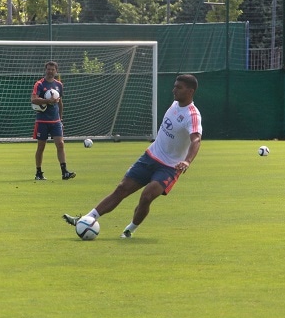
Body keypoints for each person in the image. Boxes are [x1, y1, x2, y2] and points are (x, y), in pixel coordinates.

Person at [63, 74, 202, 238]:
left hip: (169, 167)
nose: (174, 90)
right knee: (122, 189)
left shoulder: (192, 115)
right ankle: (88, 219)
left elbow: (196, 139)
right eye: (174, 86)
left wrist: (187, 161)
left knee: (147, 196)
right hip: (150, 156)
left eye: (179, 87)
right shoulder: (175, 104)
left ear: (190, 91)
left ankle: (129, 229)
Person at [31, 61, 76, 180]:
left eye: (53, 69)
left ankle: (64, 172)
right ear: (45, 70)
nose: (50, 71)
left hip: (55, 121)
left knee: (60, 144)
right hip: (42, 121)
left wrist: (60, 120)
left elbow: (60, 103)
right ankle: (38, 173)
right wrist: (47, 101)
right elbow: (34, 100)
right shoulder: (39, 84)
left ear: (56, 71)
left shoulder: (59, 85)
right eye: (48, 69)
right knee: (41, 147)